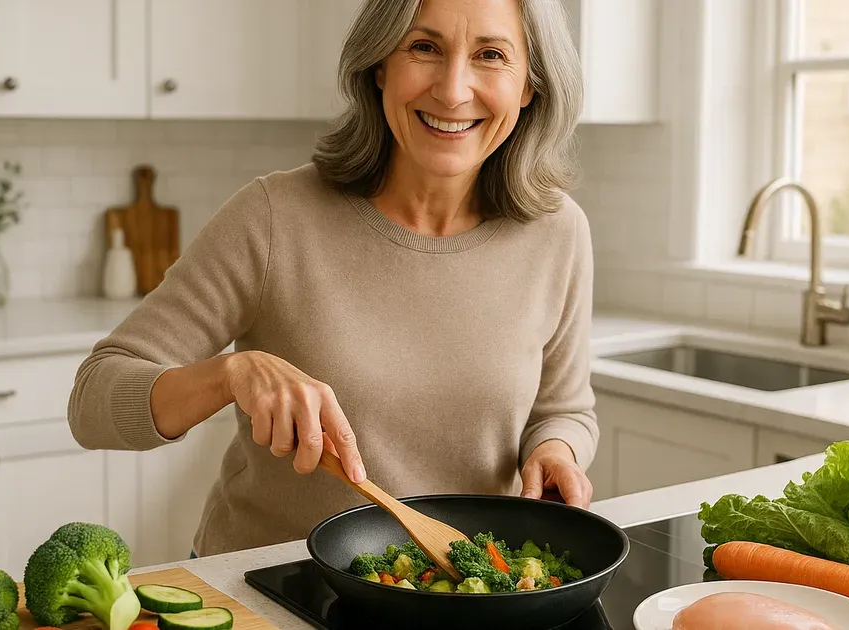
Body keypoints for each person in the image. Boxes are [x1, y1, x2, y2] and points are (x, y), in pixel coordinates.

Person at [67, 0, 598, 558]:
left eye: (491, 55)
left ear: (529, 87)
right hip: (268, 589)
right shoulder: (273, 217)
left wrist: (555, 450)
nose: (452, 89)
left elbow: (563, 409)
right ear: (379, 66)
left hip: (465, 588)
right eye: (423, 48)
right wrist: (230, 374)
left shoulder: (557, 232)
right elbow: (94, 400)